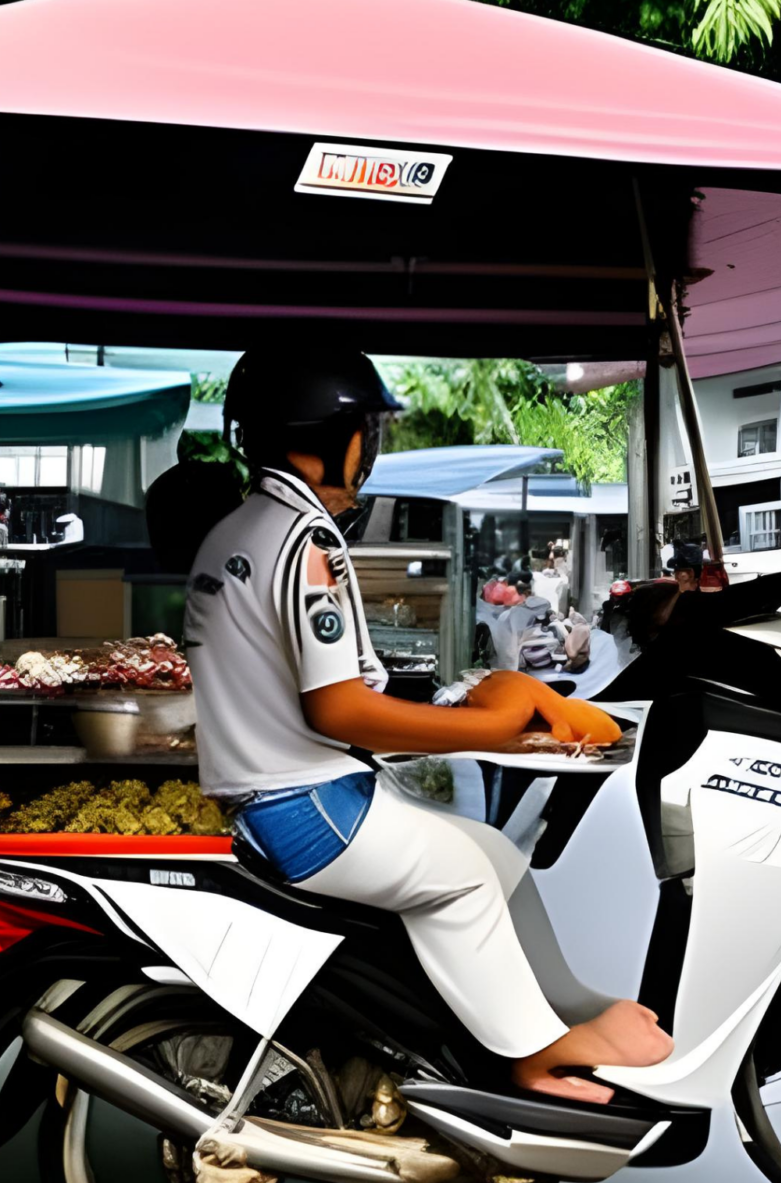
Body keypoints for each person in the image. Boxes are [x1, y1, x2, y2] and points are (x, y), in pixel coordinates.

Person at [183, 348, 671, 1103]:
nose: (369, 450)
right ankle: (532, 1055)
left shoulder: (240, 531)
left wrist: (478, 708)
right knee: (464, 875)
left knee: (491, 852)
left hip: (281, 789)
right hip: (305, 803)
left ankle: (563, 1007)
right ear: (318, 437)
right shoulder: (303, 544)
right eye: (363, 431)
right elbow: (339, 711)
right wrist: (498, 730)